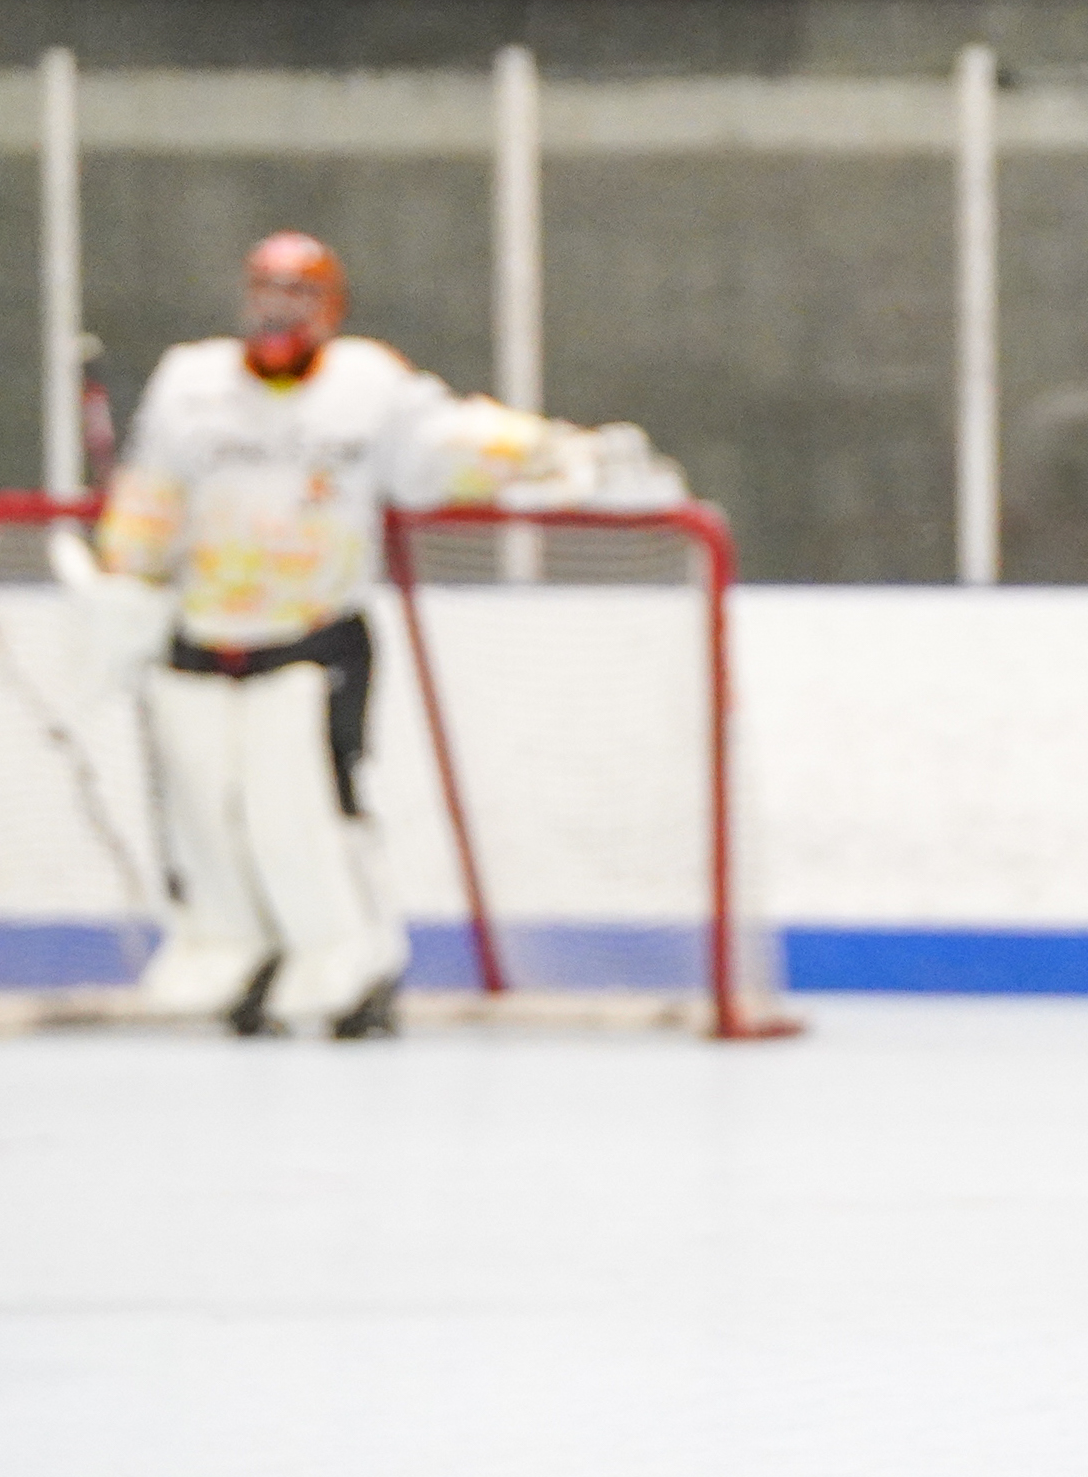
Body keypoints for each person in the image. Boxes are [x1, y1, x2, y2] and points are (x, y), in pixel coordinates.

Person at [71, 231, 683, 1036]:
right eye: (268, 290)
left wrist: (561, 455)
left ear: (332, 307)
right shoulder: (192, 386)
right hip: (204, 634)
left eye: (302, 294)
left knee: (314, 809)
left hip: (314, 636)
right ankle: (255, 960)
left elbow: (456, 444)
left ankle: (356, 963)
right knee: (215, 815)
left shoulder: (369, 387)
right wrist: (126, 583)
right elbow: (149, 499)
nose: (281, 309)